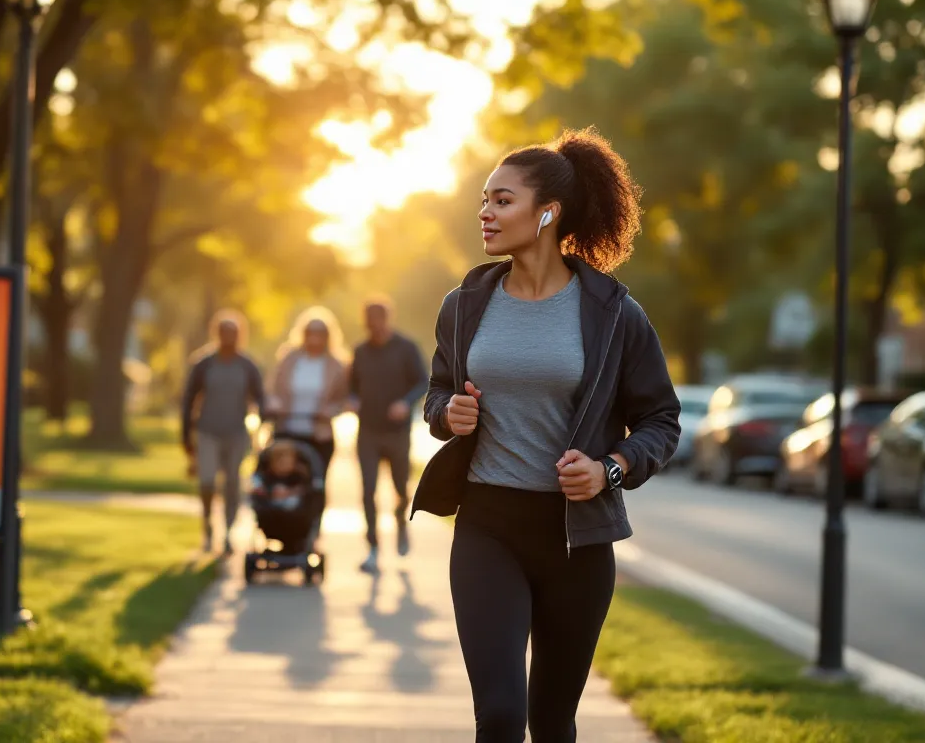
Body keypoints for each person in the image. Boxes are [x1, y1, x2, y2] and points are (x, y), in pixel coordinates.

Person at [410, 127, 682, 742]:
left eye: (502, 200)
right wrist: (445, 414)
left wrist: (610, 467)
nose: (485, 212)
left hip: (577, 541)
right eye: (484, 199)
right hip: (487, 526)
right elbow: (436, 395)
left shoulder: (613, 312)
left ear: (548, 212)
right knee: (502, 714)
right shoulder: (464, 304)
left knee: (553, 722)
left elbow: (662, 420)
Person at [348, 295, 428, 575]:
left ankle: (401, 523)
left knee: (400, 488)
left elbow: (423, 382)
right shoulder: (360, 351)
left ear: (387, 319)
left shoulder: (406, 348)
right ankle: (372, 548)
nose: (375, 327)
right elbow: (352, 386)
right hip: (368, 431)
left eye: (379, 321)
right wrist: (352, 399)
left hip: (397, 432)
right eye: (370, 322)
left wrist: (405, 403)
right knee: (368, 489)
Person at [181, 309, 266, 555]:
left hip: (236, 433)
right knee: (207, 482)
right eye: (224, 332)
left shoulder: (247, 365)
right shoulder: (204, 364)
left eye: (233, 332)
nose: (229, 336)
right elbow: (189, 399)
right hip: (208, 431)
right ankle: (208, 525)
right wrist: (186, 435)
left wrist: (264, 425)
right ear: (217, 333)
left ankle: (228, 532)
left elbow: (259, 398)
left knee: (232, 483)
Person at [266, 306, 350, 484]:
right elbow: (273, 389)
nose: (315, 337)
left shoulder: (337, 365)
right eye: (311, 332)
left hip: (318, 433)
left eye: (320, 333)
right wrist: (274, 405)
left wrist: (330, 411)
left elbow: (343, 399)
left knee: (315, 482)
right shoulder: (289, 359)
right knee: (283, 481)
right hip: (287, 429)